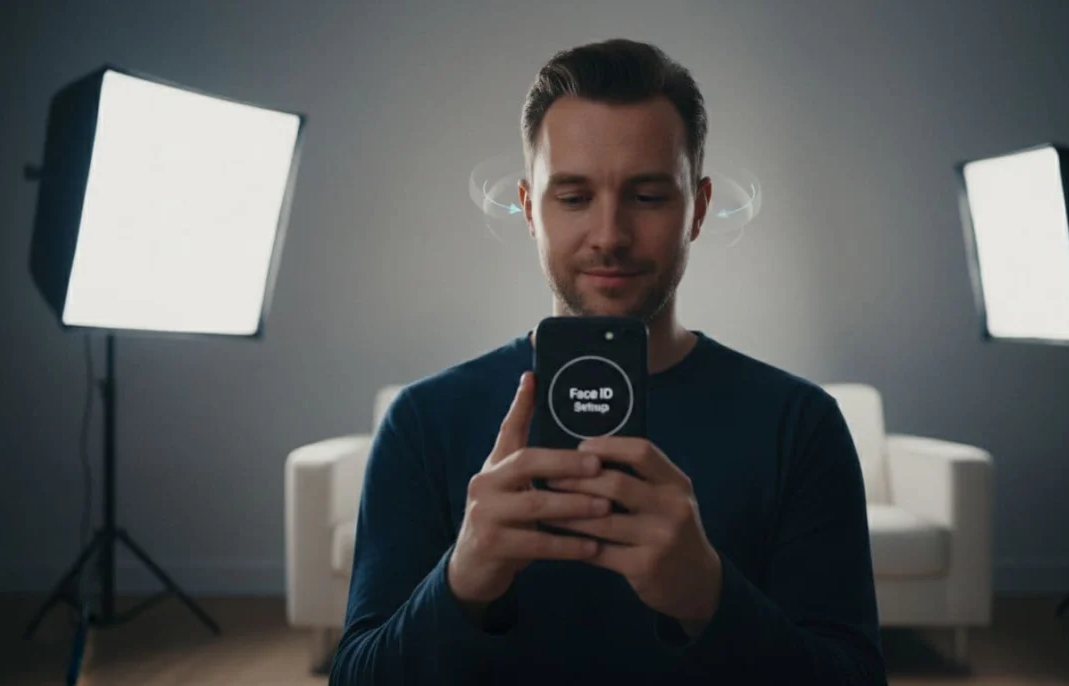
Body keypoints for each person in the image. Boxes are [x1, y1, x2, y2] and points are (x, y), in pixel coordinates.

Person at [329, 38, 886, 685]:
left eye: (647, 196)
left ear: (697, 209)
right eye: (573, 197)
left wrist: (710, 597)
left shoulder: (801, 424)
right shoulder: (423, 421)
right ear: (530, 209)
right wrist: (462, 580)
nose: (609, 235)